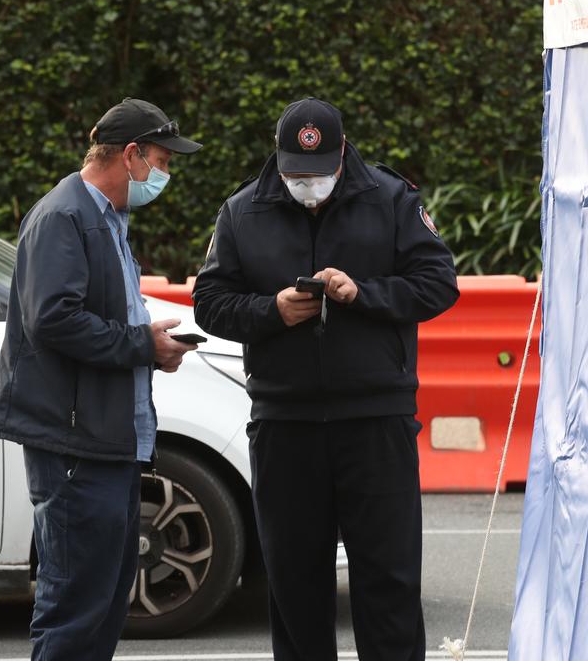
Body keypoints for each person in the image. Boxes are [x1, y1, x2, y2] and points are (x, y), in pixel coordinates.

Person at [192, 98, 459, 661]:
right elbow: (210, 303)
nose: (305, 185)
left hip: (375, 420)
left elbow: (437, 284)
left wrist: (363, 294)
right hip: (285, 423)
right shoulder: (242, 210)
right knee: (294, 585)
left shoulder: (391, 199)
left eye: (316, 175)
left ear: (342, 154)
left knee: (388, 582)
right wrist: (272, 311)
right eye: (294, 174)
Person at [0, 98, 202, 660]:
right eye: (161, 160)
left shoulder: (107, 217)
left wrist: (147, 339)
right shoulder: (65, 215)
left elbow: (96, 313)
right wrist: (143, 345)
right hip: (74, 445)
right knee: (75, 609)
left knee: (105, 604)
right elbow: (53, 319)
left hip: (104, 441)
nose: (165, 173)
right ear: (131, 155)